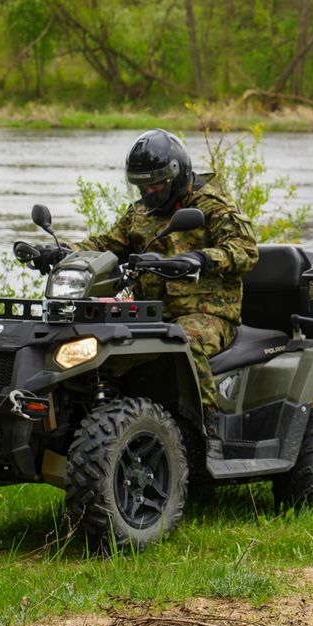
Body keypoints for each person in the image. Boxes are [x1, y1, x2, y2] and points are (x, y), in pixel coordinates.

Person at [75, 129, 259, 418]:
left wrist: (201, 259)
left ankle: (207, 424)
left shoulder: (212, 207)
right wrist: (63, 251)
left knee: (183, 339)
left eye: (156, 186)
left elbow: (245, 250)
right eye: (142, 187)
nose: (148, 193)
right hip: (150, 312)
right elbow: (104, 245)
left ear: (177, 176)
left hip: (208, 314)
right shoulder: (139, 214)